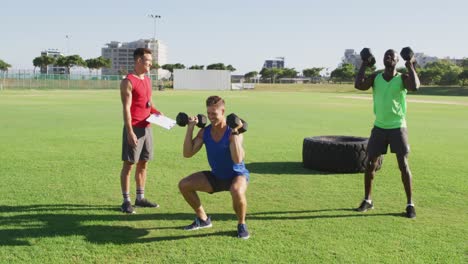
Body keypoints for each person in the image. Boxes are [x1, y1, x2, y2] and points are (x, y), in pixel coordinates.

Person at [354, 49, 420, 218]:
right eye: (386, 55)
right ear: (383, 60)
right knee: (370, 164)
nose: (389, 57)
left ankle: (410, 204)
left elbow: (415, 86)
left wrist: (410, 63)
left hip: (398, 127)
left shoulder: (403, 77)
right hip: (380, 127)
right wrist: (364, 63)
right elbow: (359, 85)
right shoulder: (376, 78)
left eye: (392, 55)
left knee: (403, 165)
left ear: (397, 60)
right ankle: (367, 200)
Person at [178, 96, 251, 239]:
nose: (211, 117)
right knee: (184, 185)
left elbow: (237, 159)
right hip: (216, 176)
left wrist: (235, 132)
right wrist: (190, 128)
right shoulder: (205, 132)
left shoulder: (234, 130)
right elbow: (187, 153)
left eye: (214, 113)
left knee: (237, 190)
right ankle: (203, 219)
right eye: (209, 113)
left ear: (223, 111)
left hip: (237, 175)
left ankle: (241, 224)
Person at [119, 48, 162, 214]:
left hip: (147, 128)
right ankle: (126, 201)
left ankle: (140, 198)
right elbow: (126, 108)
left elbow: (148, 104)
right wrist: (129, 132)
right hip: (134, 128)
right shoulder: (128, 81)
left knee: (143, 163)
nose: (150, 64)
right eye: (147, 61)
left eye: (151, 61)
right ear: (138, 61)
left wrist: (157, 113)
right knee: (129, 165)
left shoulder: (148, 80)